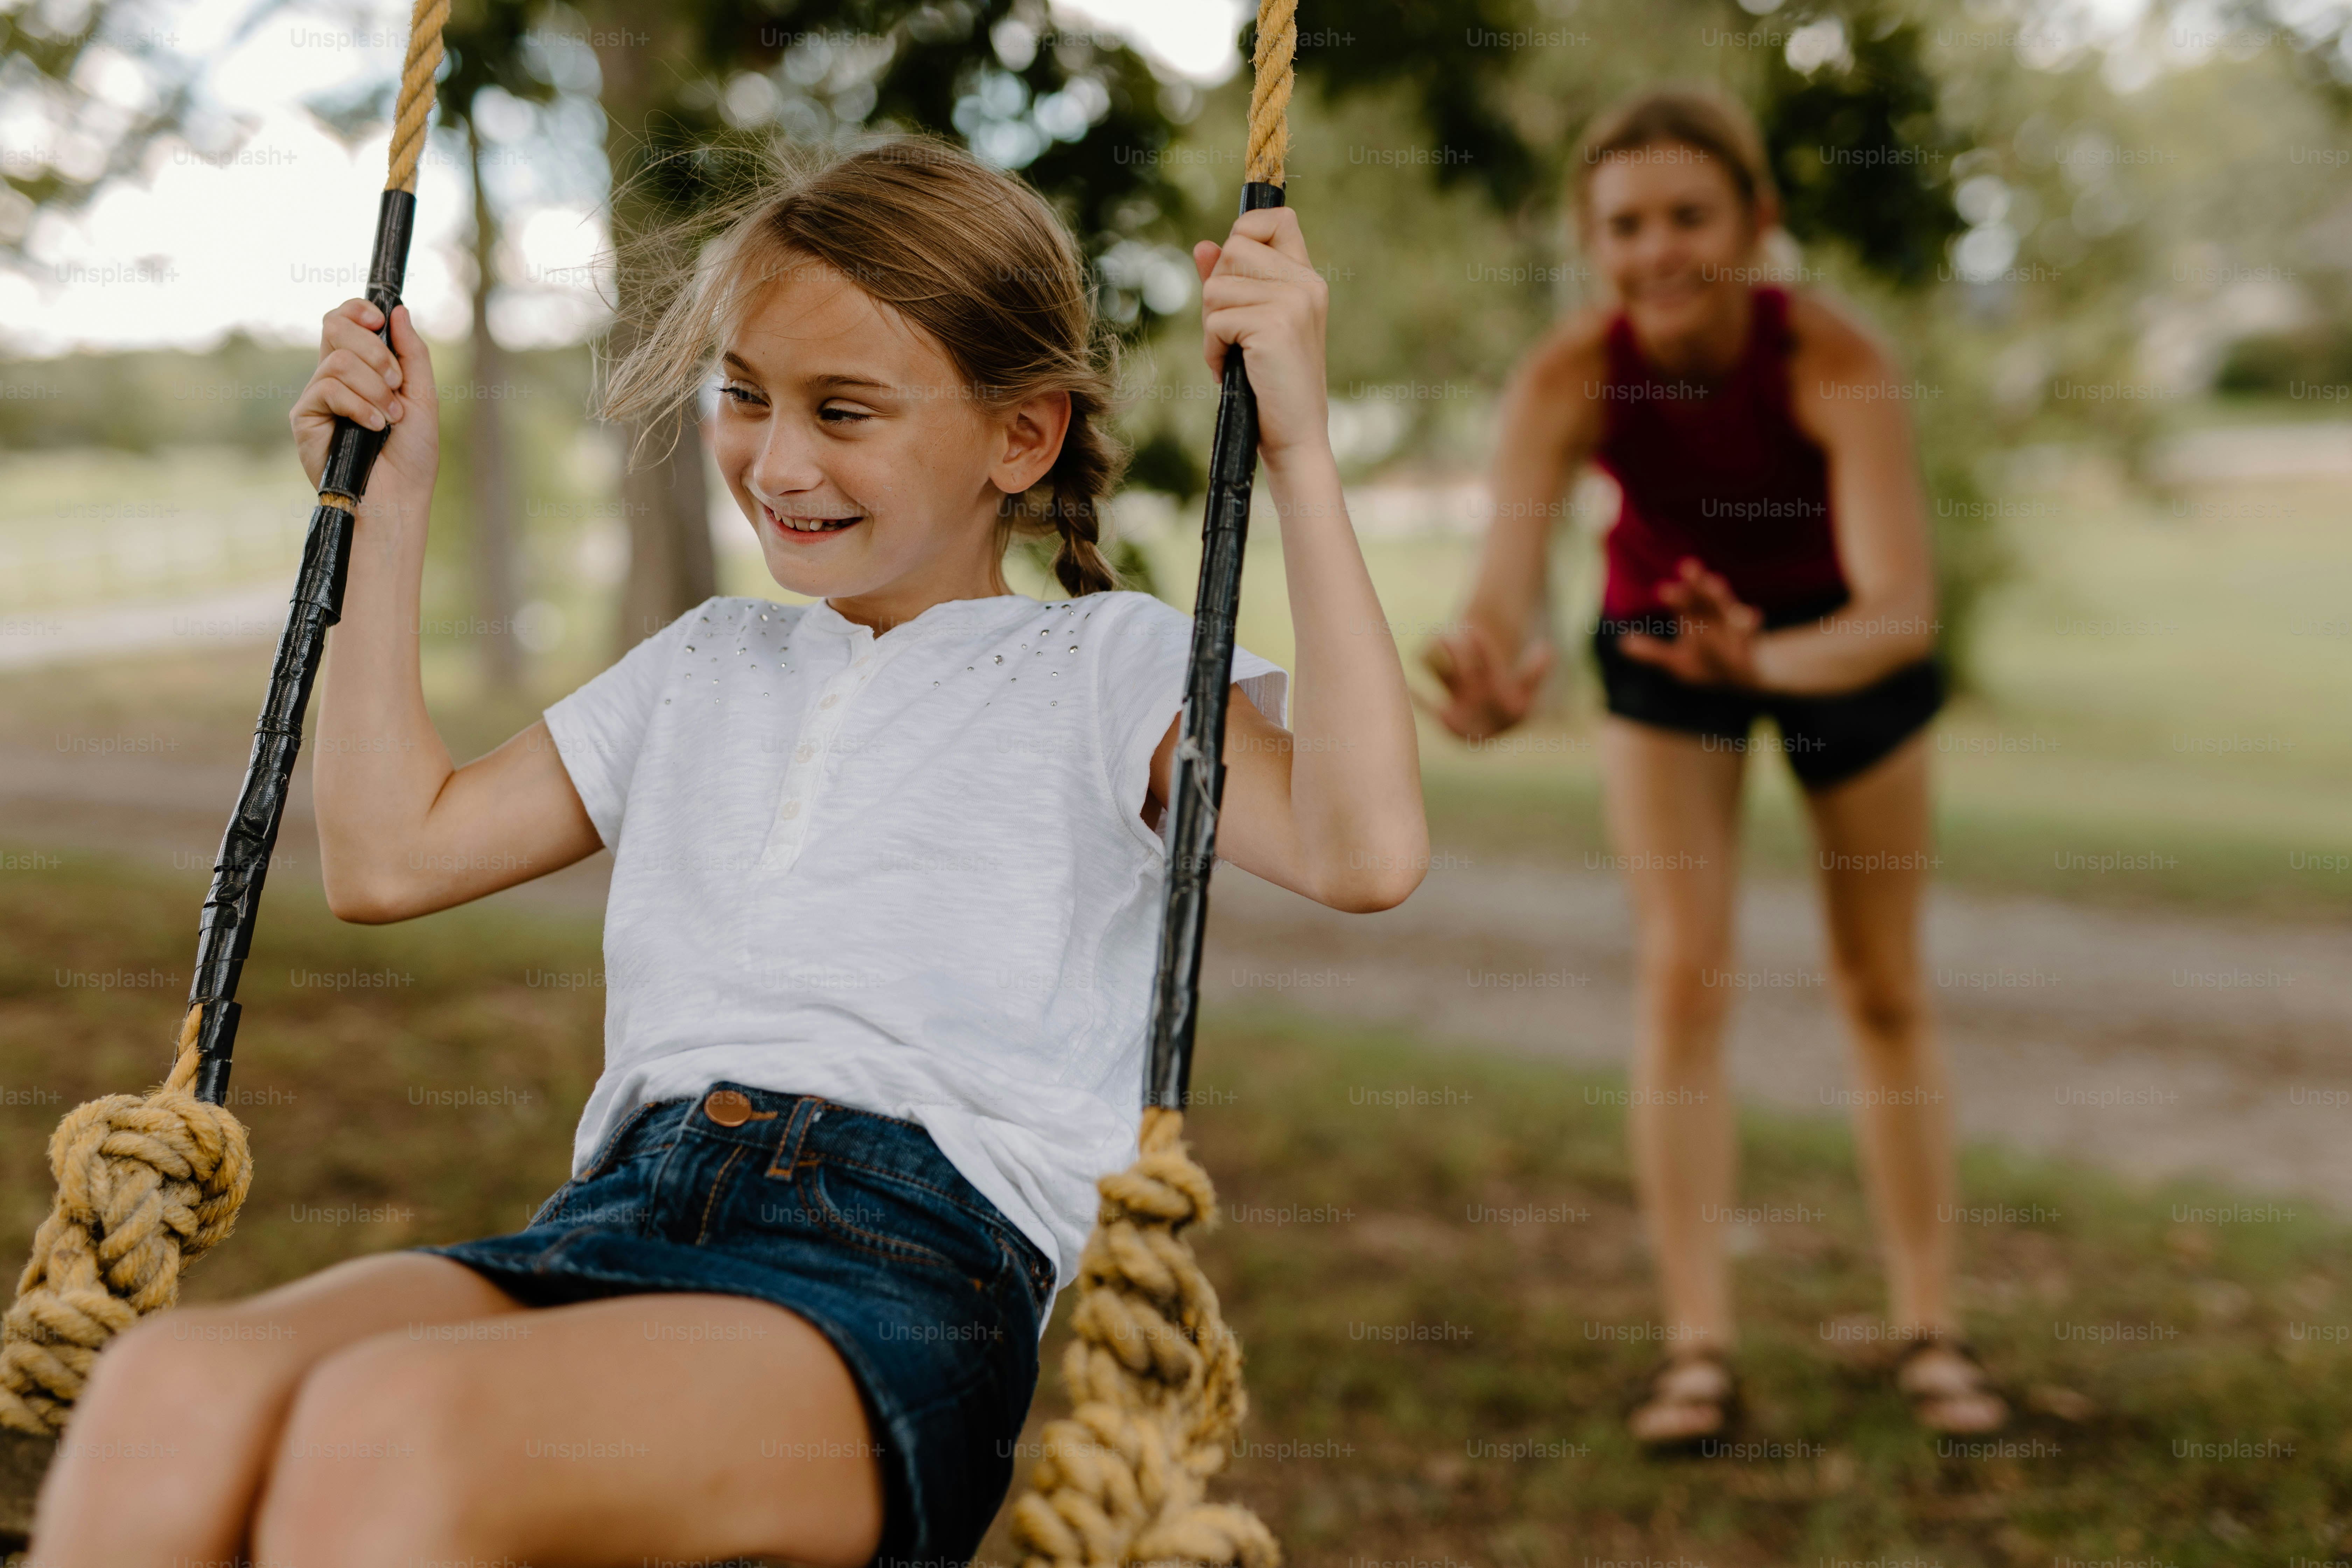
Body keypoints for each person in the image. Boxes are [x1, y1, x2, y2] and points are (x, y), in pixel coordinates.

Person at [33, 139, 1427, 1566]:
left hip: (894, 1276)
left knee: (391, 1430)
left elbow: (1361, 847)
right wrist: (383, 514)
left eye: (846, 410)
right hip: (616, 1213)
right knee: (169, 1392)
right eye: (746, 395)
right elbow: (391, 858)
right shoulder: (711, 660)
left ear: (1023, 436)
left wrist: (1302, 453)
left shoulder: (1104, 668)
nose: (778, 460)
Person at [1424, 86, 2005, 1447]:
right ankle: (1698, 1351)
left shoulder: (1835, 361)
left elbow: (1901, 611)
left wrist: (1775, 668)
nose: (1659, 248)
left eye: (1691, 215)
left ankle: (1930, 1328)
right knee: (1684, 972)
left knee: (1882, 983)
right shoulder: (1570, 374)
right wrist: (1485, 662)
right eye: (1625, 225)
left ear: (1759, 222)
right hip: (1670, 638)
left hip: (1836, 649)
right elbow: (1503, 583)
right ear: (1592, 243)